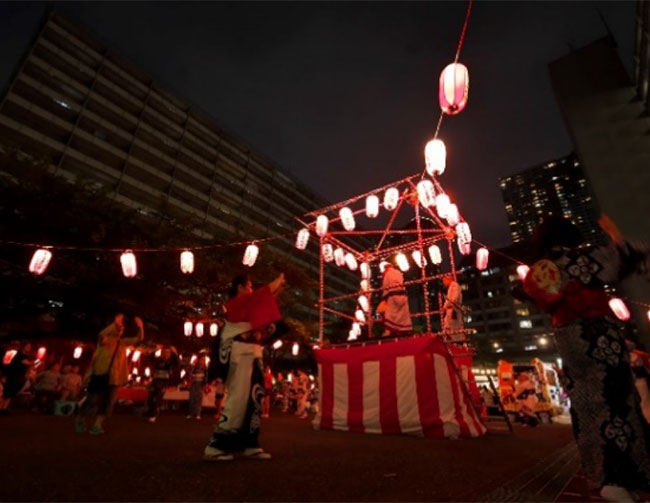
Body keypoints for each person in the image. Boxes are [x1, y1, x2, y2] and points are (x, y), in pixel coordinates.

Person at [520, 215, 650, 501]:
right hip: (602, 336)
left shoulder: (541, 269)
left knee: (585, 403)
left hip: (570, 340)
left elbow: (533, 292)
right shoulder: (588, 258)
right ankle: (625, 475)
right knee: (618, 399)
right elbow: (632, 253)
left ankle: (602, 476)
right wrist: (615, 235)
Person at [203, 273, 284, 462]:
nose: (251, 290)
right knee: (237, 401)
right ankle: (215, 446)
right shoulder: (235, 304)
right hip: (240, 355)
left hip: (253, 356)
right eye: (248, 285)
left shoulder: (249, 307)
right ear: (239, 287)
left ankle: (251, 444)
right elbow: (263, 295)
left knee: (254, 401)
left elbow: (265, 304)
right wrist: (278, 280)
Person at [75, 314, 144, 435]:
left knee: (108, 402)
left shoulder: (122, 343)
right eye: (119, 327)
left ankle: (97, 424)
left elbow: (138, 339)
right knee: (92, 399)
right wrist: (115, 324)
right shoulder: (105, 340)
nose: (120, 329)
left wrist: (141, 327)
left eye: (122, 327)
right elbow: (102, 335)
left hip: (114, 377)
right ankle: (80, 419)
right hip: (100, 373)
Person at [146, 347, 178, 423]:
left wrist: (174, 352)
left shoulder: (170, 362)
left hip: (163, 382)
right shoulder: (158, 360)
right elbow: (150, 357)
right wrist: (155, 349)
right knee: (150, 398)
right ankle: (152, 413)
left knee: (157, 399)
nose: (166, 354)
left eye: (168, 353)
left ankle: (153, 415)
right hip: (155, 381)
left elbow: (176, 361)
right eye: (165, 352)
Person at [380, 263, 412, 337]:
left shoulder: (386, 273)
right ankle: (403, 332)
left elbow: (385, 286)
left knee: (387, 315)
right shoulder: (399, 272)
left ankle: (390, 333)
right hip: (402, 295)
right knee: (403, 316)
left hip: (391, 296)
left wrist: (384, 297)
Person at [1, 343, 33, 415]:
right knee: (8, 392)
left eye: (30, 346)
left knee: (10, 392)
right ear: (23, 347)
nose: (29, 347)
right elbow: (25, 362)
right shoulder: (20, 354)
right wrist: (34, 362)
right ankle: (2, 408)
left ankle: (4, 408)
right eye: (27, 346)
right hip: (13, 375)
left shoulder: (25, 355)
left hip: (17, 376)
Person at [442, 275, 465, 342]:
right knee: (448, 325)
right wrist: (445, 307)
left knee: (454, 326)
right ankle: (451, 339)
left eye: (444, 280)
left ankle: (456, 341)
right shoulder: (451, 287)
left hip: (453, 310)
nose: (444, 282)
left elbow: (454, 298)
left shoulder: (454, 285)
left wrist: (447, 305)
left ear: (448, 279)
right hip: (450, 310)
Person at [188, 355, 207, 420]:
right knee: (192, 398)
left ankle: (198, 413)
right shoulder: (194, 367)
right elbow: (190, 374)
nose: (203, 361)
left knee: (199, 399)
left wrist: (205, 385)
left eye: (204, 360)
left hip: (200, 385)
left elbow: (206, 377)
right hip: (194, 384)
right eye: (202, 359)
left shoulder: (205, 368)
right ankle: (191, 413)